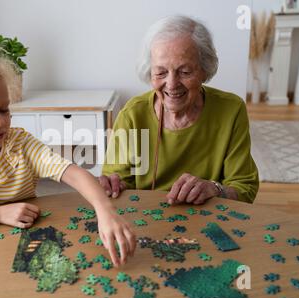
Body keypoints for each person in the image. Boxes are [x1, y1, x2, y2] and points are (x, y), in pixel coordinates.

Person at [0, 44, 135, 266]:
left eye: (4, 109)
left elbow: (74, 174)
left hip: (30, 240)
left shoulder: (21, 143)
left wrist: (106, 212)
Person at [100, 15, 259, 204]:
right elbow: (118, 184)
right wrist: (113, 185)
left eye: (184, 72)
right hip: (147, 223)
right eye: (161, 72)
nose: (172, 84)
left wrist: (215, 189)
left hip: (210, 219)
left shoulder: (231, 110)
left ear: (204, 70)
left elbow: (244, 188)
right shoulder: (132, 115)